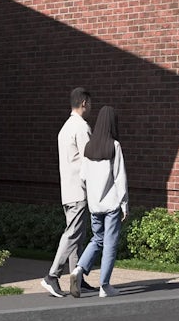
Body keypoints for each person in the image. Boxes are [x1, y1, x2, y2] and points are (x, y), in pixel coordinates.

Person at [41, 87, 95, 297]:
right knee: (73, 234)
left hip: (68, 190)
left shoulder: (65, 128)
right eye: (90, 104)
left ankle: (77, 281)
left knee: (77, 237)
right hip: (79, 191)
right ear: (84, 103)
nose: (90, 107)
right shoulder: (81, 128)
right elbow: (88, 159)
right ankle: (52, 276)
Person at [72, 104, 129, 298]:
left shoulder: (89, 147)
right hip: (111, 204)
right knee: (110, 243)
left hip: (94, 205)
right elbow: (120, 177)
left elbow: (83, 175)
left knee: (97, 239)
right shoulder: (114, 146)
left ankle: (79, 269)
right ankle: (104, 285)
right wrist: (124, 204)